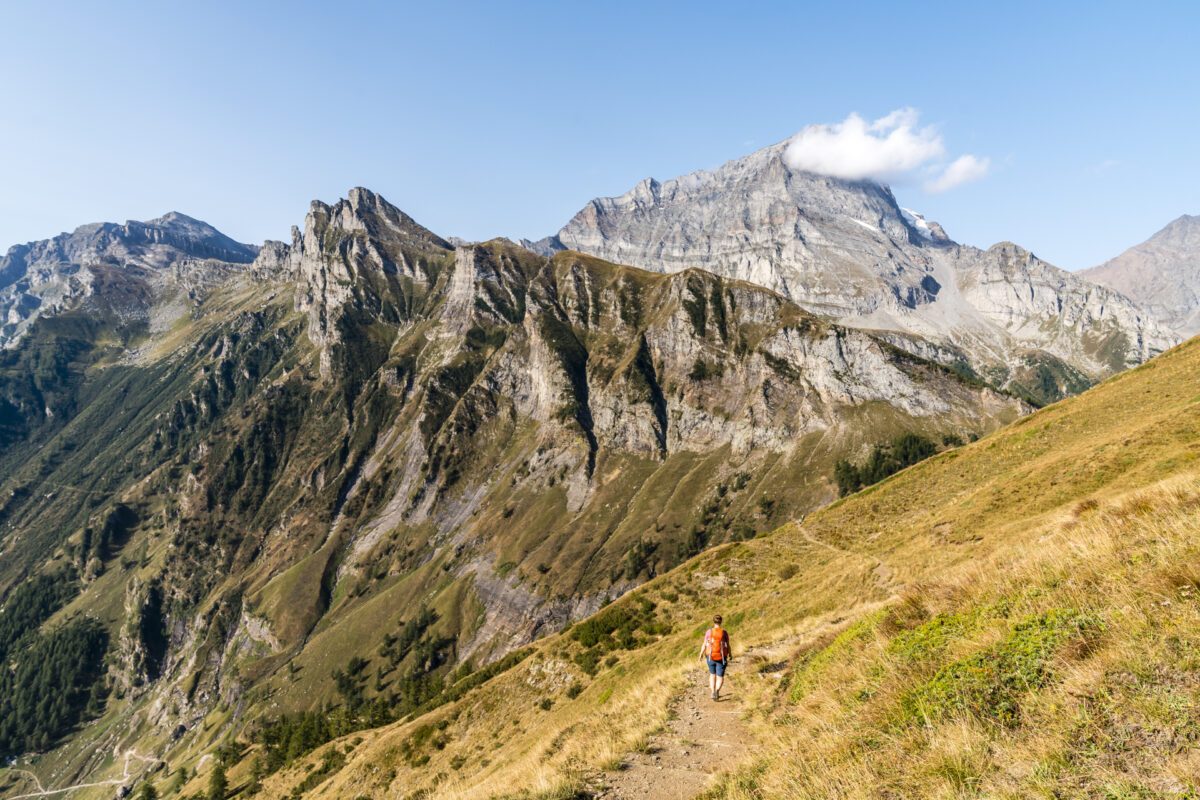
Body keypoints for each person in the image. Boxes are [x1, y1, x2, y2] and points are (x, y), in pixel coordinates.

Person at [699, 614, 731, 700]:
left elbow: (705, 644)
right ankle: (717, 690)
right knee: (720, 677)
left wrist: (701, 654)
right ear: (721, 622)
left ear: (713, 622)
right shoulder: (724, 633)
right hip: (721, 657)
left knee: (712, 675)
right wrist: (730, 654)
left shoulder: (709, 632)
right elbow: (728, 645)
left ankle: (713, 692)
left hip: (710, 656)